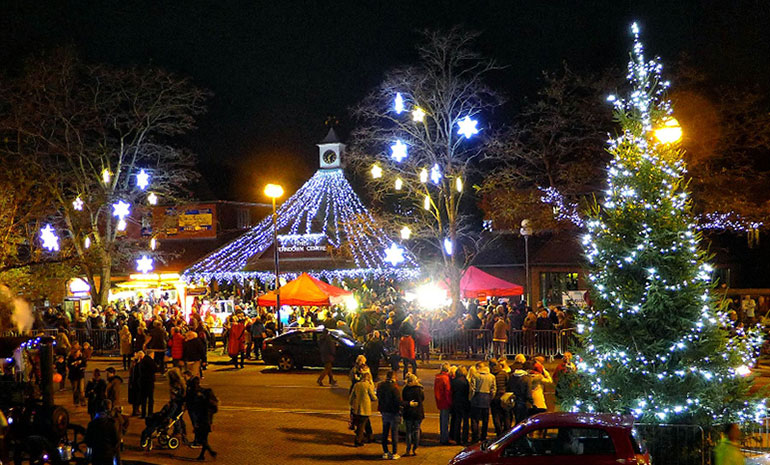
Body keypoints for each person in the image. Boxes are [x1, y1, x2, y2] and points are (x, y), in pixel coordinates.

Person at [186, 376, 218, 461]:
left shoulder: (195, 394)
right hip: (208, 420)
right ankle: (202, 455)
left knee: (202, 439)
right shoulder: (206, 392)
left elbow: (193, 407)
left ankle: (210, 452)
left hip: (202, 420)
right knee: (204, 438)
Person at [85, 400, 121, 465]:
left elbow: (87, 440)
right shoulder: (111, 424)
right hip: (108, 455)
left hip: (96, 455)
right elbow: (116, 440)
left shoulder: (92, 424)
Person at [376, 370, 401, 460]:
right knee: (394, 433)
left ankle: (385, 452)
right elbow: (398, 401)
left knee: (385, 432)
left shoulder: (381, 385)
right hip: (393, 412)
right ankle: (394, 452)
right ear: (394, 377)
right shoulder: (394, 388)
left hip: (384, 411)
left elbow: (378, 395)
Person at [469, 361, 496, 443]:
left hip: (477, 398)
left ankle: (475, 436)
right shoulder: (491, 376)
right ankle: (483, 436)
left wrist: (471, 398)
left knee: (474, 419)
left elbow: (472, 389)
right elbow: (493, 389)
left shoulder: (475, 375)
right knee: (485, 419)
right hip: (486, 398)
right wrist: (491, 398)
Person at [348, 372, 377, 447]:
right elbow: (373, 397)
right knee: (361, 425)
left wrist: (352, 405)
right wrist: (376, 397)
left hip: (357, 408)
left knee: (366, 423)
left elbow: (351, 396)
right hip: (365, 408)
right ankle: (358, 440)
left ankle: (370, 436)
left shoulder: (357, 385)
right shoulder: (368, 386)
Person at [402, 373, 424, 457]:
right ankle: (415, 448)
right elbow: (422, 399)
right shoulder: (419, 389)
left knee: (409, 431)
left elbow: (404, 399)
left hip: (408, 412)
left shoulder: (405, 389)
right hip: (418, 412)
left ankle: (408, 449)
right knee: (417, 430)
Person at [506, 356, 532, 424]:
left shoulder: (512, 376)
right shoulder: (527, 378)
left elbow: (509, 387)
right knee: (522, 420)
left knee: (516, 418)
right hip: (523, 401)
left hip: (514, 399)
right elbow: (528, 391)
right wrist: (530, 401)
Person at [450, 366, 471, 445]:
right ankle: (465, 438)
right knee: (465, 421)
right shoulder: (466, 382)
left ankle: (457, 438)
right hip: (465, 402)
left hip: (456, 402)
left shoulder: (454, 381)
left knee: (457, 421)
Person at [489, 360, 510, 437]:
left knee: (496, 415)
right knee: (506, 414)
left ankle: (499, 432)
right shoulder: (504, 373)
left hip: (494, 397)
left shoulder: (491, 374)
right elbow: (508, 383)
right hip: (503, 396)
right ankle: (507, 431)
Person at [434, 363, 452, 445]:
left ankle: (442, 437)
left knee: (442, 420)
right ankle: (444, 439)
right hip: (445, 402)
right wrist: (450, 402)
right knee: (445, 421)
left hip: (440, 401)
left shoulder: (438, 377)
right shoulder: (445, 379)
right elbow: (447, 392)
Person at [137, 350, 157, 418]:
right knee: (150, 399)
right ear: (151, 354)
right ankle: (150, 413)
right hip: (149, 381)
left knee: (143, 399)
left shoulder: (142, 361)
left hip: (143, 381)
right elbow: (155, 369)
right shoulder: (150, 361)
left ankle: (143, 413)